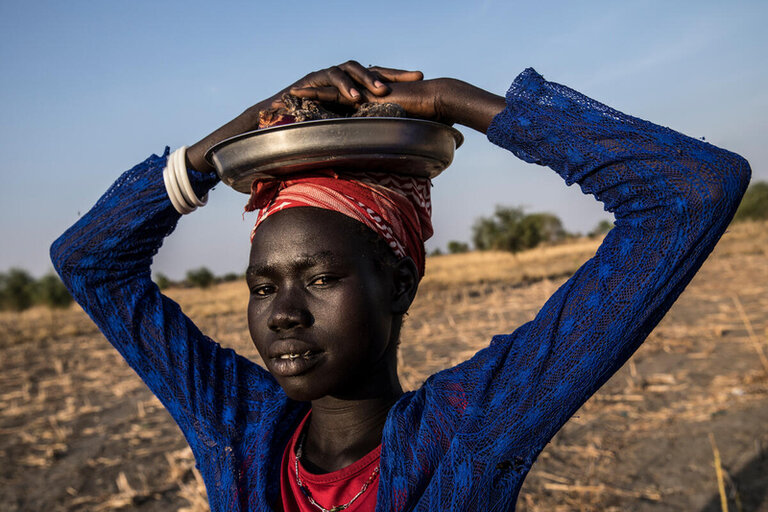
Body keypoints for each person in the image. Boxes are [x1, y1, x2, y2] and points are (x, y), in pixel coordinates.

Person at [51, 60, 750, 511]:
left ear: (399, 286)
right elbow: (87, 262)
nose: (284, 314)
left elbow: (691, 191)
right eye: (262, 287)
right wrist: (242, 132)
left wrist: (456, 100)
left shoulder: (468, 429)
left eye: (321, 277)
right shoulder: (237, 426)